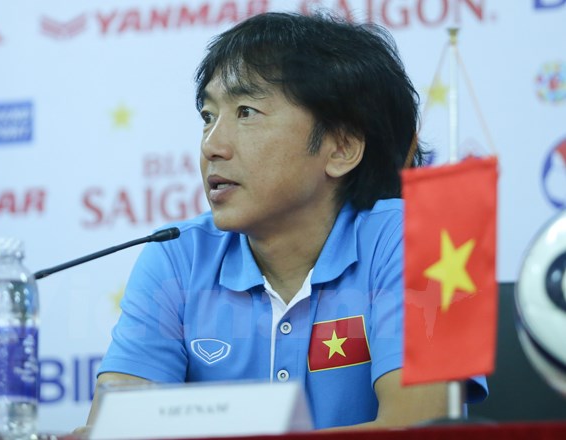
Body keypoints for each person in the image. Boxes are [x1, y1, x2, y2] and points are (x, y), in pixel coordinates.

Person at [84, 11, 487, 430]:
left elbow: (417, 430)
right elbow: (116, 430)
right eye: (208, 117)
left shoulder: (423, 240)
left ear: (341, 148)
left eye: (246, 112)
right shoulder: (177, 256)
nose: (211, 146)